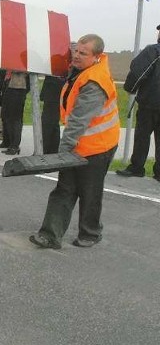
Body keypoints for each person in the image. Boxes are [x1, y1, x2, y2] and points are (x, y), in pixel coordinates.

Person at [30, 34, 119, 249]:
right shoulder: (80, 71)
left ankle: (90, 233)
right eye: (76, 51)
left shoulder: (95, 82)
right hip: (79, 143)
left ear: (97, 57)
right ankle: (50, 235)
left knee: (90, 191)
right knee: (64, 189)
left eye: (83, 53)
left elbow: (79, 121)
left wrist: (63, 151)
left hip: (98, 146)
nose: (77, 56)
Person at [116, 24, 160, 180]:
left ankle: (136, 167)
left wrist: (130, 88)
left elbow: (138, 71)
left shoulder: (153, 51)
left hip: (150, 102)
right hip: (151, 101)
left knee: (142, 136)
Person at [0, 70, 28, 155]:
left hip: (18, 87)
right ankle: (6, 141)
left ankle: (14, 145)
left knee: (15, 119)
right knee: (5, 116)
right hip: (8, 85)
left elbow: (22, 71)